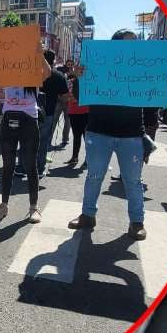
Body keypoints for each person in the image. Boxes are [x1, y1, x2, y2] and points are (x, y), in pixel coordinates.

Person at [67, 29, 150, 241]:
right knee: (94, 176)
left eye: (135, 42)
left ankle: (136, 222)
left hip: (131, 134)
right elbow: (79, 96)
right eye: (128, 43)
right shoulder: (97, 64)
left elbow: (153, 96)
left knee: (133, 181)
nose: (133, 46)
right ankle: (88, 215)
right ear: (114, 46)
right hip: (99, 131)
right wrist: (79, 77)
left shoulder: (141, 68)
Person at [0, 54, 54, 223]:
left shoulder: (32, 77)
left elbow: (47, 72)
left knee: (30, 165)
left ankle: (33, 207)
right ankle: (3, 205)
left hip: (29, 122)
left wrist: (39, 53)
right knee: (8, 166)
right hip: (8, 120)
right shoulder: (5, 75)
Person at [35, 50, 69, 178]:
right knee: (43, 141)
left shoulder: (33, 73)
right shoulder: (59, 76)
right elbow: (65, 97)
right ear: (54, 60)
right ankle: (39, 168)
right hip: (48, 112)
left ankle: (22, 166)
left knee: (27, 140)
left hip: (30, 111)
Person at [65, 72, 89, 167]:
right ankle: (74, 157)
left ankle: (88, 159)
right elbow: (68, 96)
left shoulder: (88, 82)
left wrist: (74, 98)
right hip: (74, 112)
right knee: (76, 136)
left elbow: (71, 98)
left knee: (86, 137)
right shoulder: (70, 82)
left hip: (85, 112)